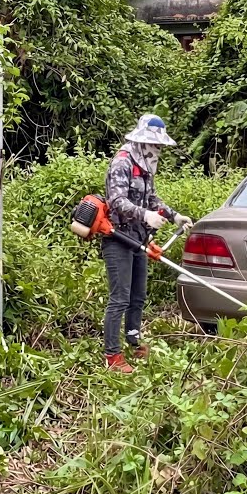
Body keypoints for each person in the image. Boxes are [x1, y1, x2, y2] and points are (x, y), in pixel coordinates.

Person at [101, 114, 192, 373]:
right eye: (155, 145)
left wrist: (174, 216)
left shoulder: (145, 166)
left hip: (139, 238)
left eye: (160, 146)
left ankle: (133, 341)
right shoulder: (122, 163)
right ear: (142, 141)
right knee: (119, 298)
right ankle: (112, 356)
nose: (158, 150)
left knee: (138, 296)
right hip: (118, 237)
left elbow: (151, 198)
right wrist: (146, 216)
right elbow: (116, 201)